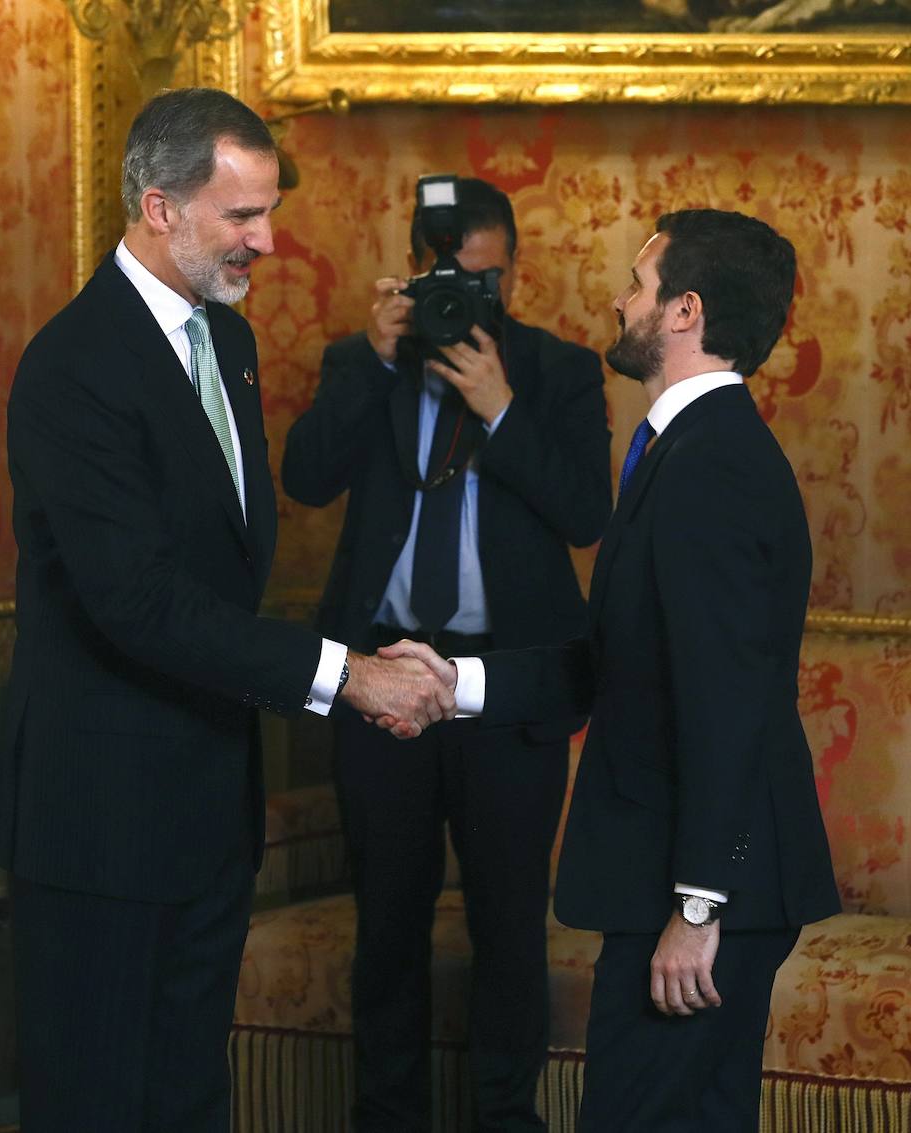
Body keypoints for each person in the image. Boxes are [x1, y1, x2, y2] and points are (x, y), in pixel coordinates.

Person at [0, 87, 455, 1133]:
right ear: (159, 207)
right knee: (98, 1106)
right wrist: (350, 673)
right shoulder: (73, 365)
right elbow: (140, 601)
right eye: (243, 216)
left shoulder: (226, 345)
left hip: (206, 808)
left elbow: (224, 565)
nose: (269, 241)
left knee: (192, 1102)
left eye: (268, 211)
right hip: (97, 817)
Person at [382, 208, 841, 1132]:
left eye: (638, 284)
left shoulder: (711, 465)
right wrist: (457, 682)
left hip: (699, 887)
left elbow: (729, 705)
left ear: (684, 312)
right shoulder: (685, 450)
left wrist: (700, 905)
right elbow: (622, 669)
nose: (619, 299)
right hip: (685, 877)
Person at [281, 176, 612, 1132]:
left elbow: (587, 514)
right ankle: (387, 1117)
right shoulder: (362, 359)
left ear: (509, 271)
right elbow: (304, 478)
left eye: (488, 281)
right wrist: (379, 364)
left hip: (506, 692)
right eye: (449, 282)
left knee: (509, 920)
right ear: (417, 275)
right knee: (387, 920)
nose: (469, 302)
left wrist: (504, 409)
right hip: (379, 681)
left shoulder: (555, 370)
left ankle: (507, 1119)